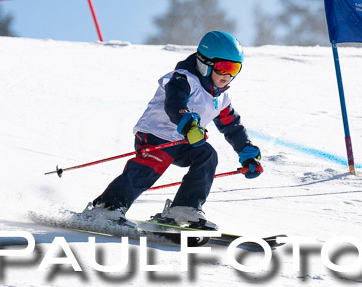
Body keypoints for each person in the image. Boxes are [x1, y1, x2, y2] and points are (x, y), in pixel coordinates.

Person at [86, 30, 262, 230]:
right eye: (223, 67)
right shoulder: (183, 79)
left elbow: (232, 127)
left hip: (183, 142)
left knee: (207, 155)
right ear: (206, 63)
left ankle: (185, 208)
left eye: (235, 68)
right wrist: (188, 124)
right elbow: (174, 103)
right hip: (155, 134)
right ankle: (108, 206)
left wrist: (247, 153)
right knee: (149, 168)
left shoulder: (220, 98)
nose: (228, 75)